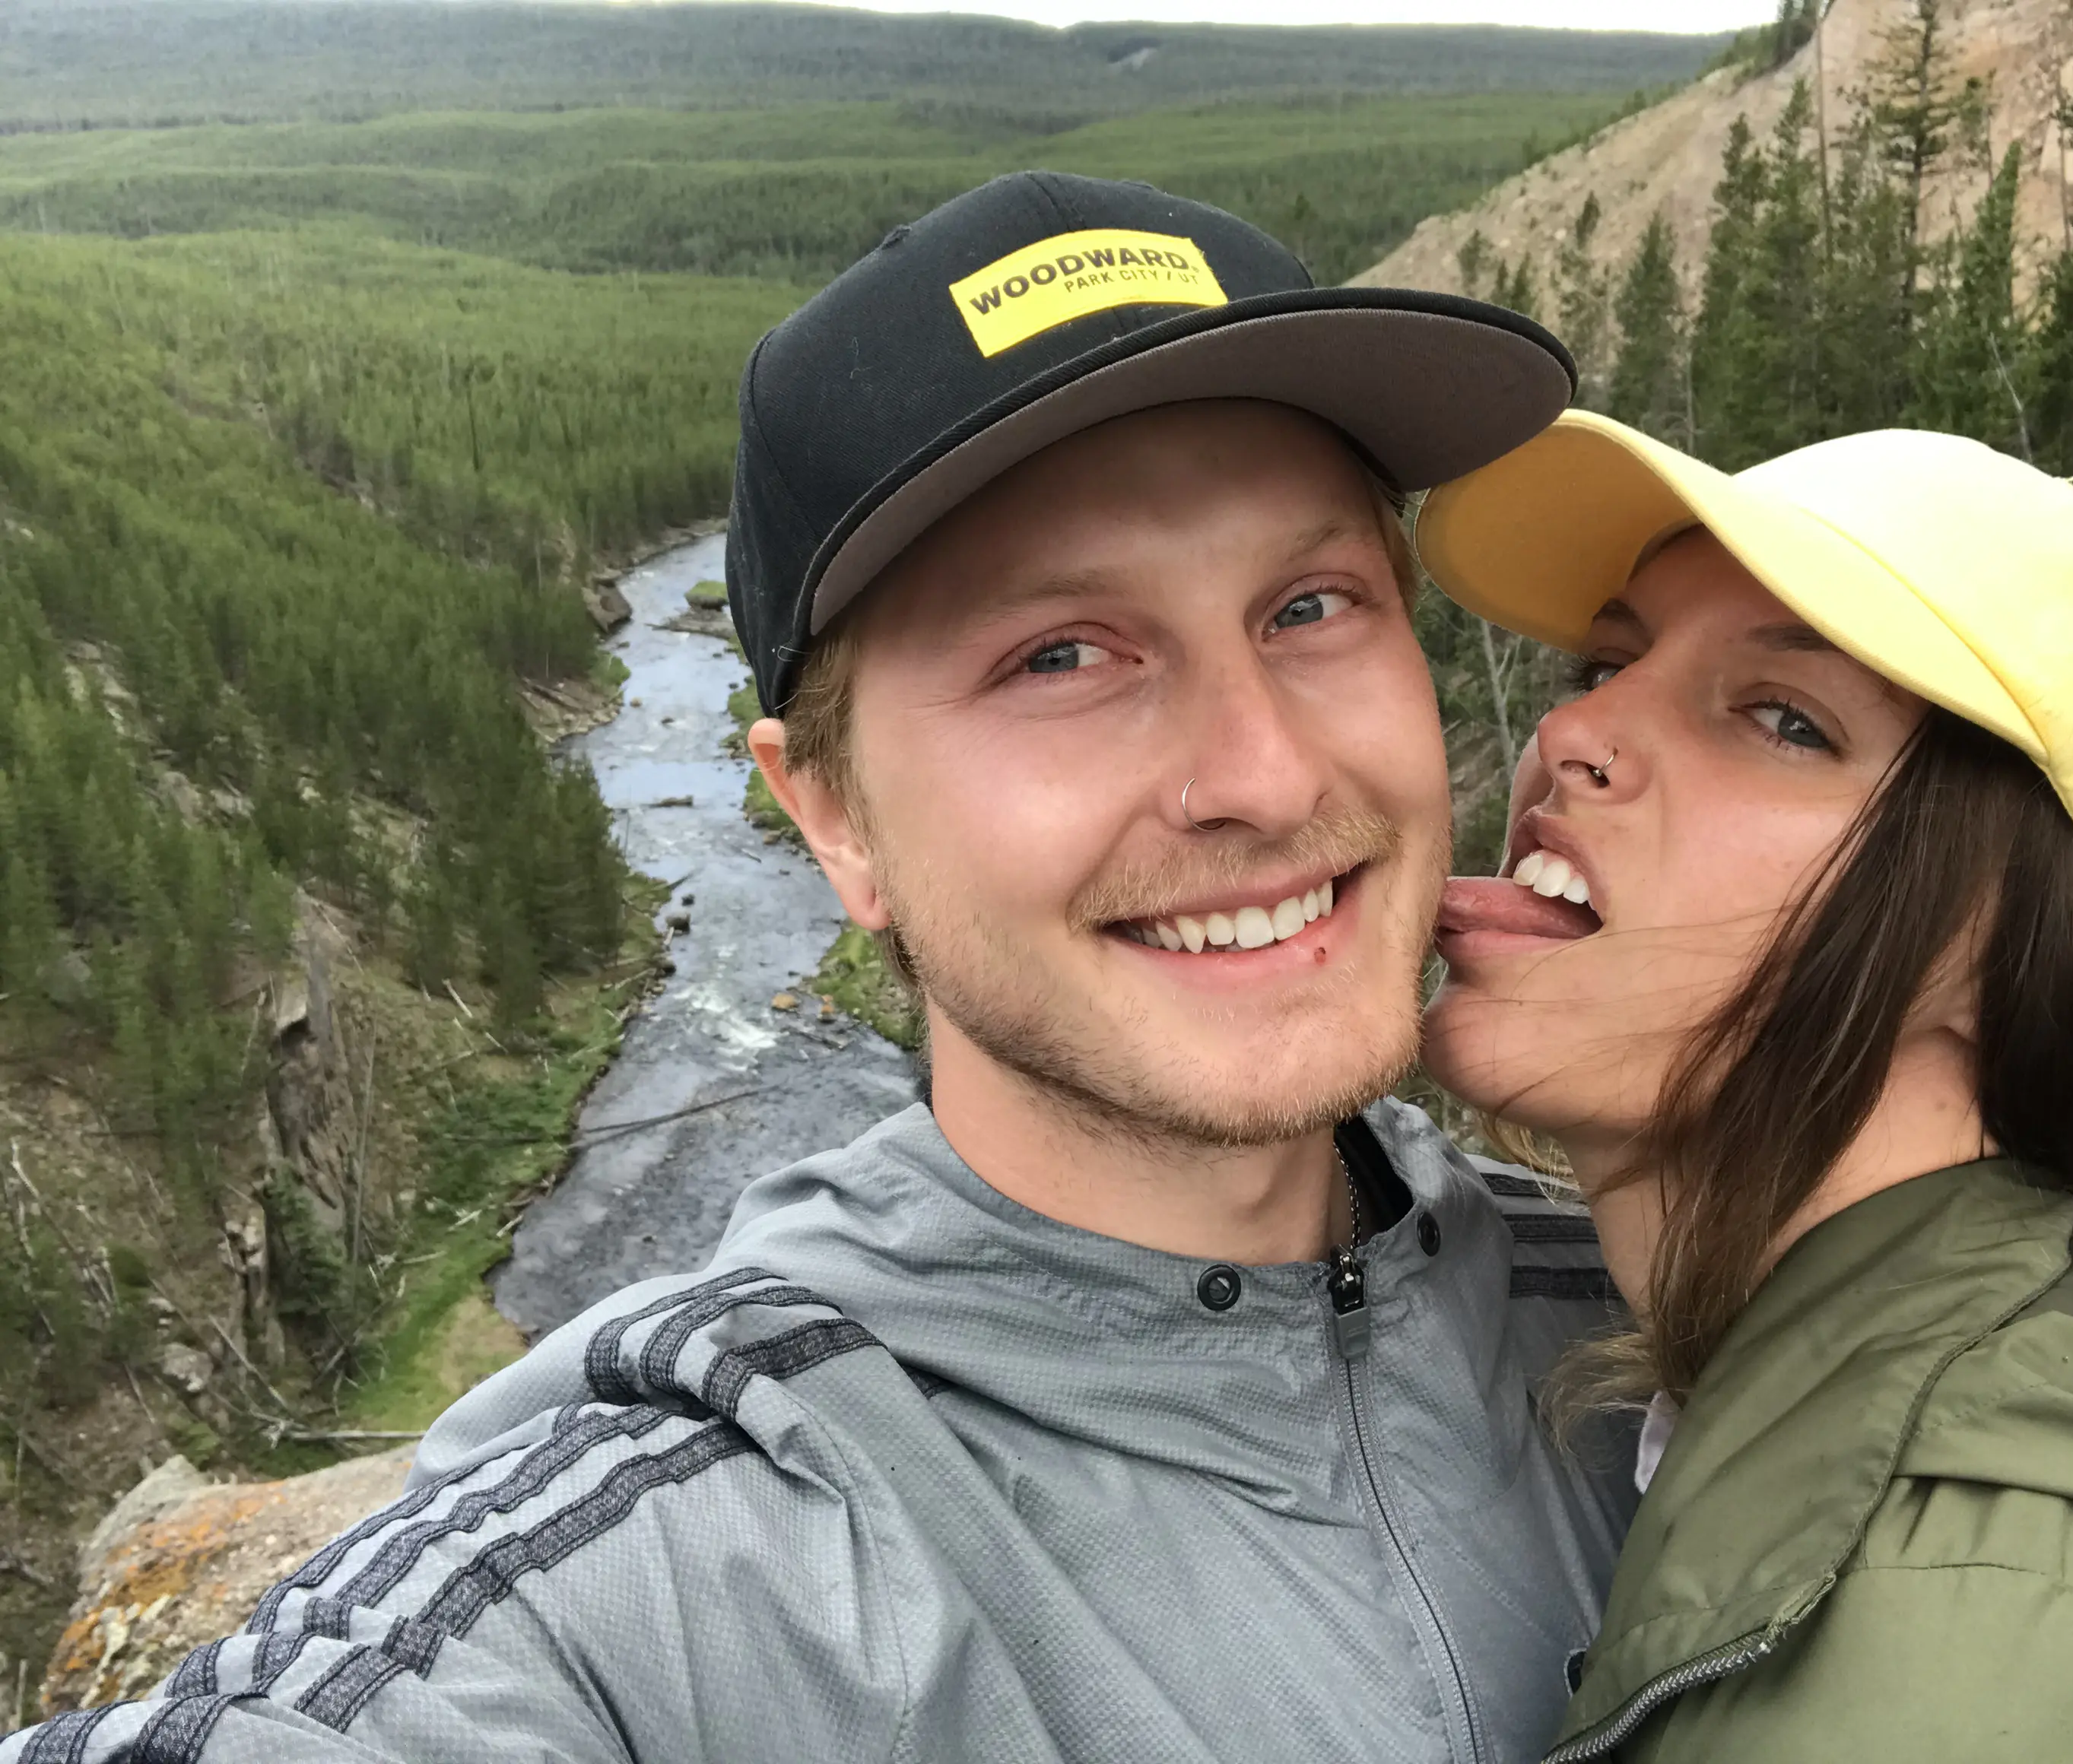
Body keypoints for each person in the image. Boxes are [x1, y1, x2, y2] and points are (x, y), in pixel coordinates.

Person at [2, 177, 1635, 1763]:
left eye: (1308, 604)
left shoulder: (1653, 1317)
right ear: (832, 815)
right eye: (1060, 653)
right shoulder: (694, 1547)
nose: (1264, 776)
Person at [1414, 409, 2073, 1762]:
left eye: (1783, 721)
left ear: (2014, 960)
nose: (1575, 729)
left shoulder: (1968, 1654)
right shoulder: (1974, 1409)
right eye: (1610, 659)